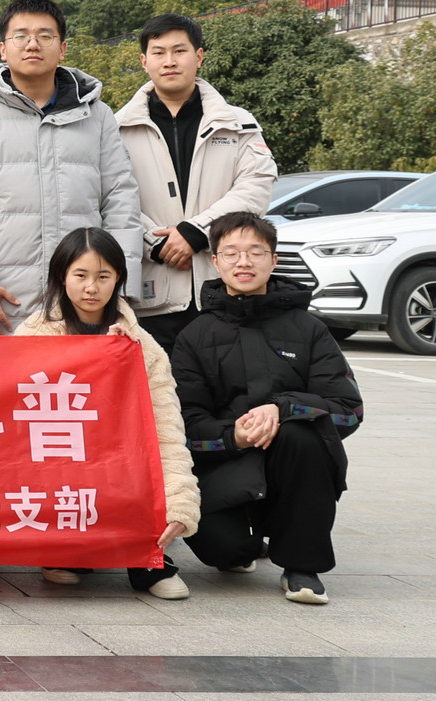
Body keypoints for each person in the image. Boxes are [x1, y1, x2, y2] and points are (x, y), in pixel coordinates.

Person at [172, 212, 362, 606]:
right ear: (215, 261)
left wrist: (283, 408)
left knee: (301, 433)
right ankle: (246, 544)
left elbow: (348, 410)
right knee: (224, 552)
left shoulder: (309, 329)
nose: (244, 262)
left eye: (256, 252)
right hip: (226, 464)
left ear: (273, 260)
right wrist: (233, 437)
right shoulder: (194, 335)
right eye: (232, 253)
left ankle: (301, 566)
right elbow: (184, 422)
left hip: (294, 464)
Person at [16, 228, 197, 601]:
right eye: (80, 275)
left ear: (118, 279)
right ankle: (64, 549)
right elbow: (9, 418)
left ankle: (148, 559)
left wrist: (179, 503)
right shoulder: (31, 336)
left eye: (103, 276)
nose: (91, 288)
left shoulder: (141, 346)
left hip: (119, 463)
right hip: (57, 460)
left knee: (135, 459)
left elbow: (166, 431)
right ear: (61, 276)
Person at [0, 0, 141, 334]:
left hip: (85, 296)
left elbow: (121, 201)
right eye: (21, 35)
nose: (32, 44)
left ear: (62, 49)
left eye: (45, 36)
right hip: (3, 295)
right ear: (3, 49)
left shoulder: (97, 115)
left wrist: (121, 288)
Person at [118, 14, 278, 352]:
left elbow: (256, 184)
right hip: (151, 291)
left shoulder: (238, 124)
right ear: (144, 61)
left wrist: (196, 232)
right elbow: (111, 195)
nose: (170, 61)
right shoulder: (117, 129)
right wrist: (155, 243)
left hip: (224, 288)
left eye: (180, 51)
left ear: (199, 56)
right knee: (159, 382)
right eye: (159, 52)